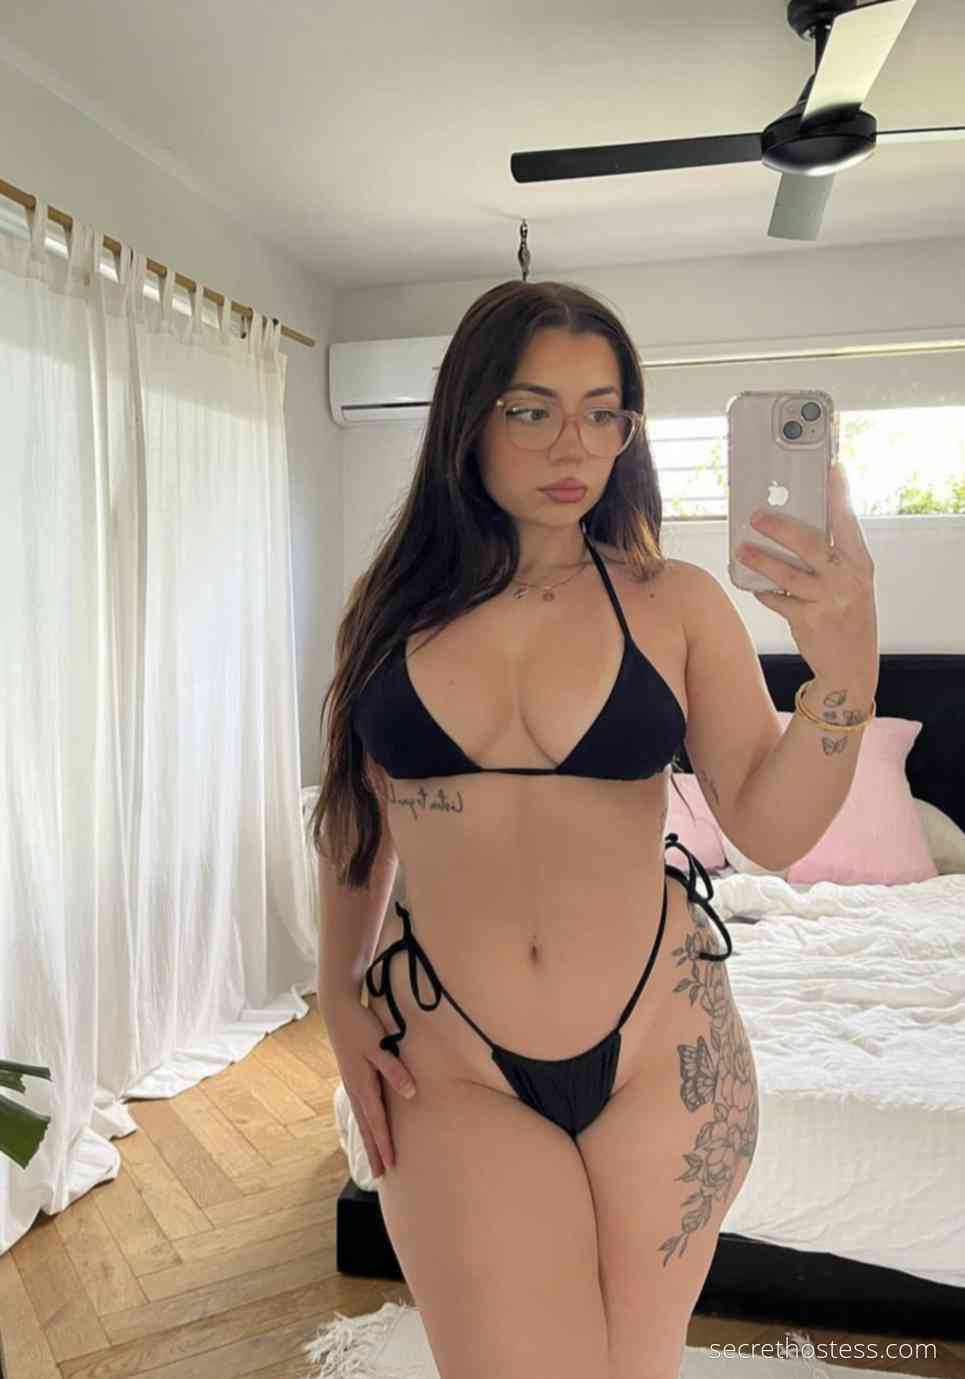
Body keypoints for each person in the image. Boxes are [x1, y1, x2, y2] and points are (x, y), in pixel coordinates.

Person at [312, 281, 762, 1379]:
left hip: (662, 1046)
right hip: (449, 1047)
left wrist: (843, 661)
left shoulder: (672, 599)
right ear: (467, 419)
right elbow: (358, 813)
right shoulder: (390, 605)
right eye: (531, 409)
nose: (574, 445)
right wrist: (335, 990)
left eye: (604, 413)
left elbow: (772, 822)